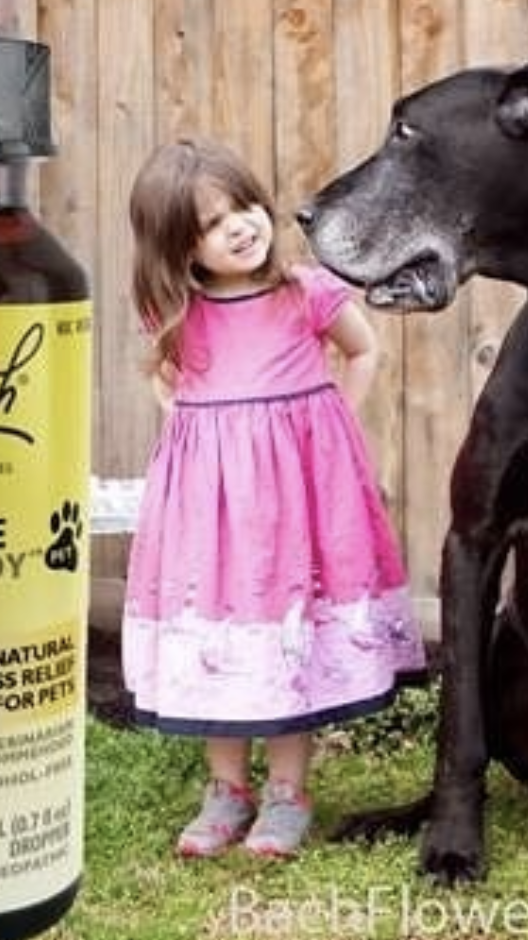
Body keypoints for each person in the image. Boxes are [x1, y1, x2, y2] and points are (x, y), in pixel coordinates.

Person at [123, 138, 425, 859]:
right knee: (225, 641)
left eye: (244, 206)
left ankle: (288, 792)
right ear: (179, 247)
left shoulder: (305, 291)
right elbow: (162, 375)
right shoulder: (179, 311)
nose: (239, 226)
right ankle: (228, 790)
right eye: (210, 223)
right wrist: (193, 430)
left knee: (288, 636)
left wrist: (331, 425)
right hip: (214, 518)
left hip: (297, 506)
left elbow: (364, 350)